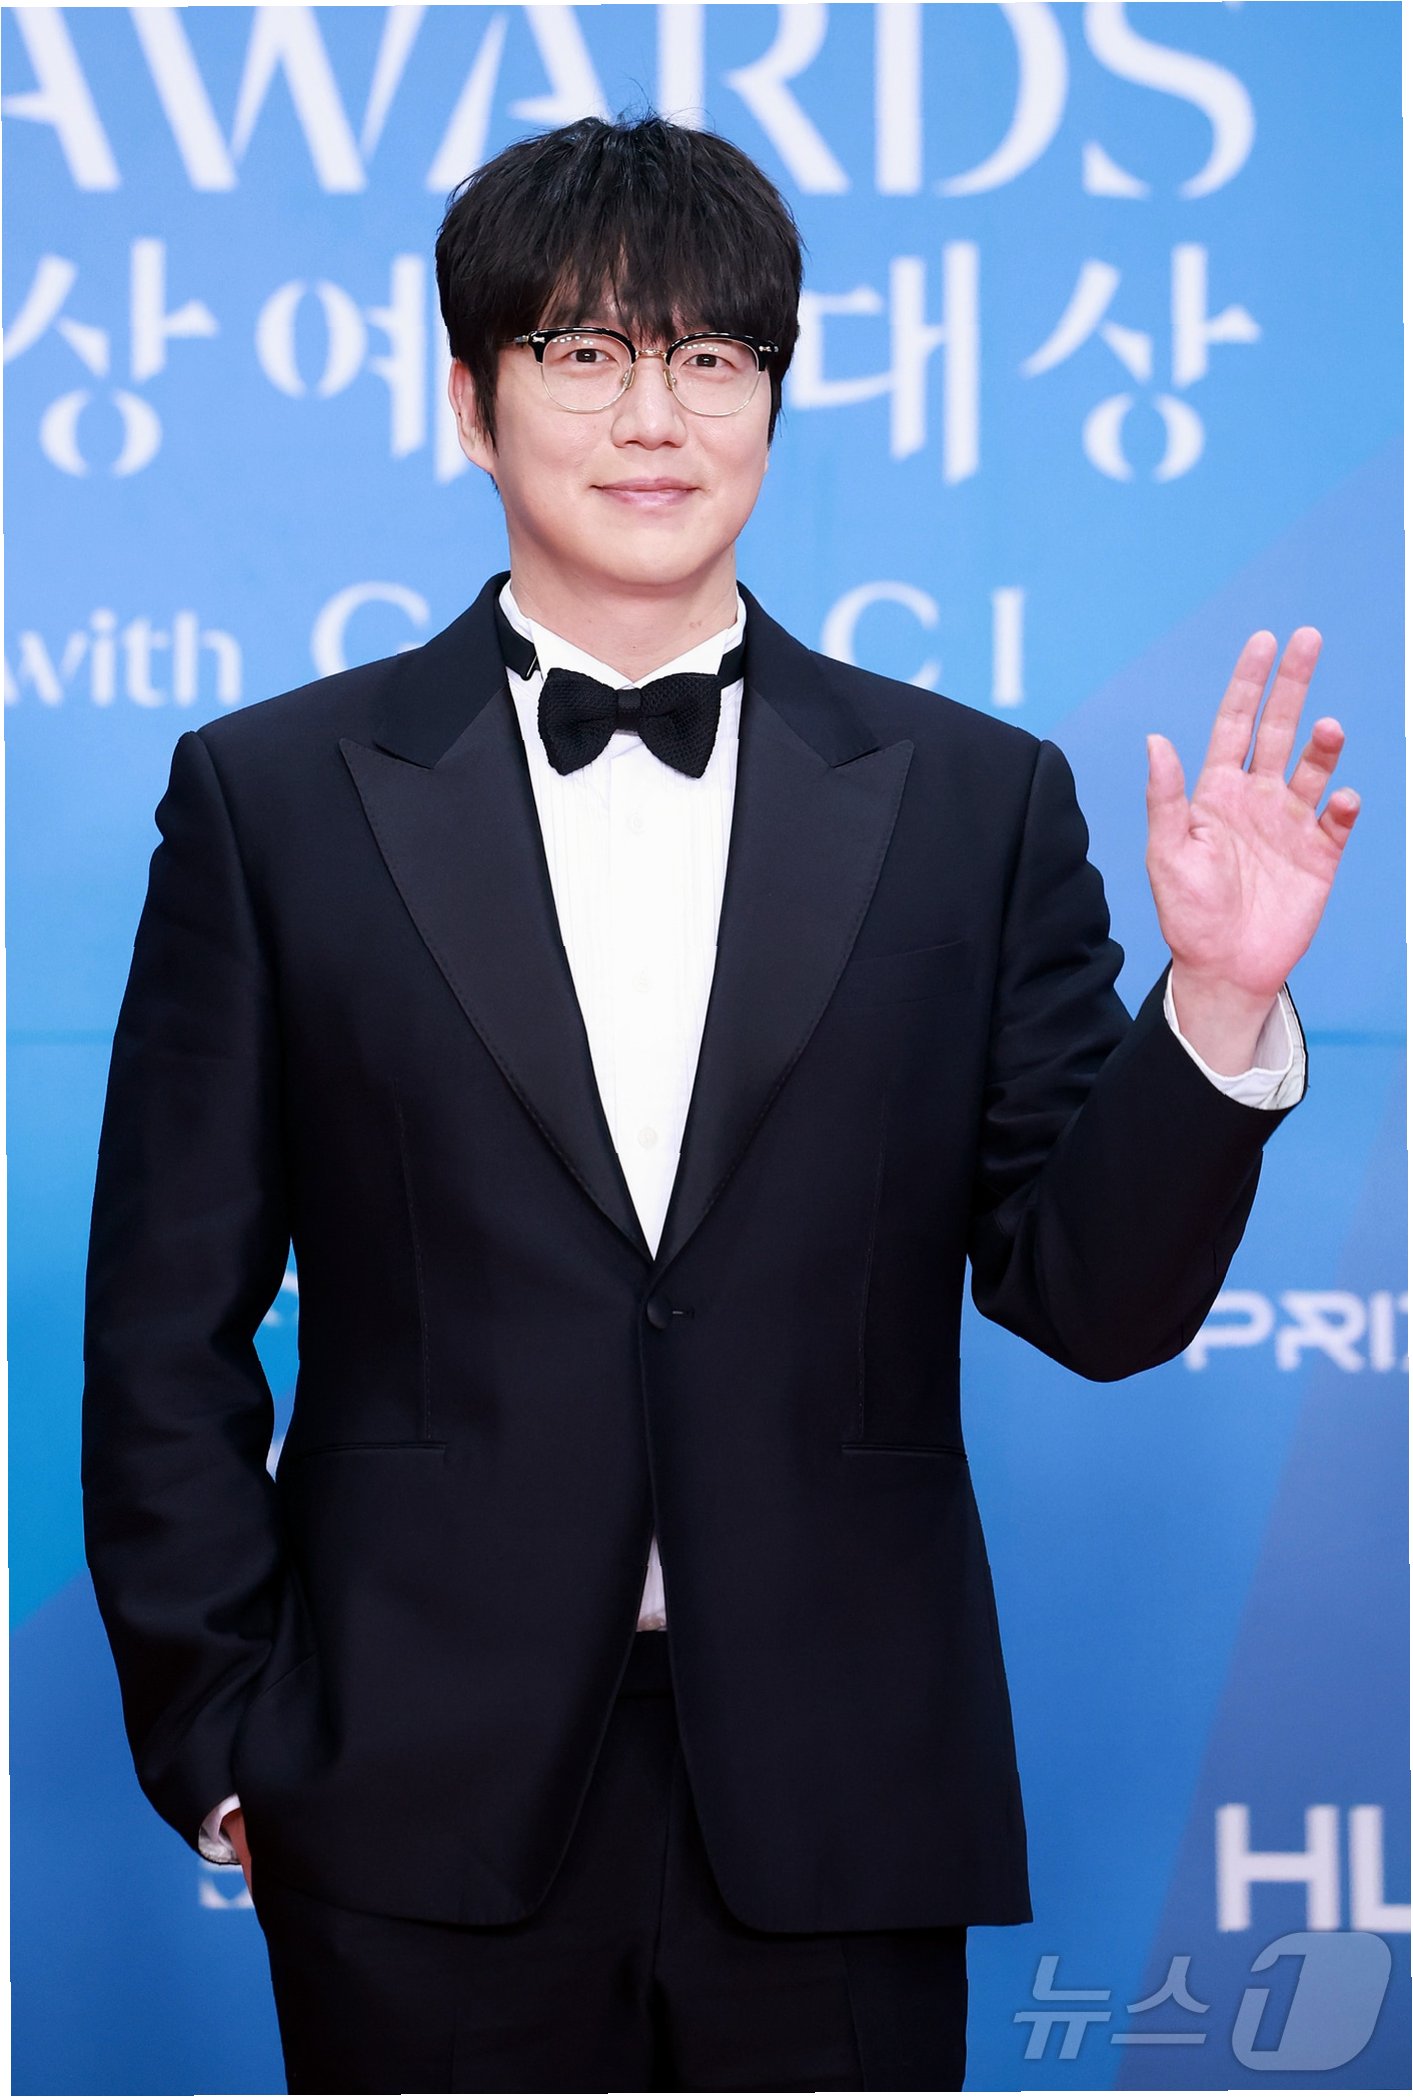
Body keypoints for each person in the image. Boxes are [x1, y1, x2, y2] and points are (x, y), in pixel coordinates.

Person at [81, 113, 1357, 2095]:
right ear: (469, 399)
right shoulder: (276, 799)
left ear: (771, 393)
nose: (651, 413)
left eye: (706, 355)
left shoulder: (970, 802)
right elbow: (165, 1323)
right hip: (407, 1790)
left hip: (839, 1793)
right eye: (583, 352)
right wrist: (228, 1730)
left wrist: (1213, 1004)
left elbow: (1090, 1301)